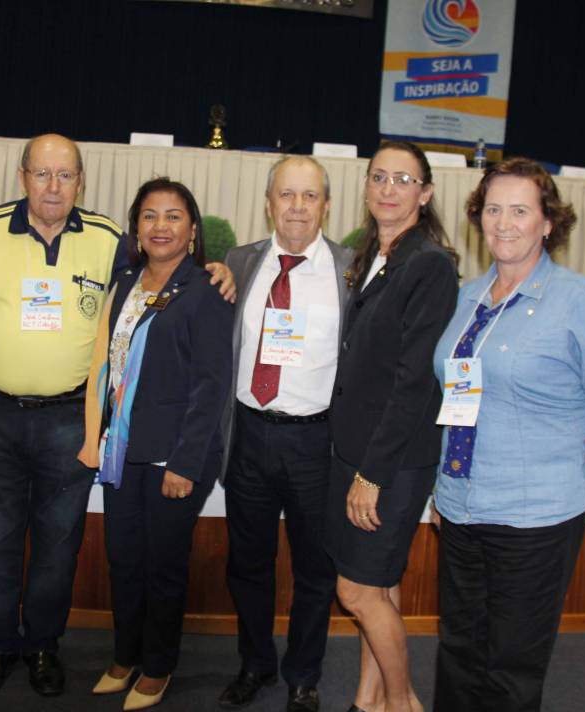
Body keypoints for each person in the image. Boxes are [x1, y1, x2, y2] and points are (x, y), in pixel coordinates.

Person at [0, 134, 236, 699]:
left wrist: (219, 268)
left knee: (65, 545)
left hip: (89, 427)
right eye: (42, 173)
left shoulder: (122, 248)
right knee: (6, 542)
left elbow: (206, 368)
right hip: (14, 419)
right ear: (22, 176)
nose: (53, 186)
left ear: (80, 183)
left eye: (65, 175)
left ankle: (58, 650)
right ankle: (4, 648)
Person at [430, 157, 585, 712]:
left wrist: (553, 431)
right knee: (458, 650)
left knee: (511, 667)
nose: (504, 223)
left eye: (520, 211)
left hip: (536, 516)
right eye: (493, 209)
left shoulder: (579, 300)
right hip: (460, 504)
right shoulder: (467, 298)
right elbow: (455, 395)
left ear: (548, 222)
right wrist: (444, 488)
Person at [77, 178, 233, 711]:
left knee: (163, 566)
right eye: (149, 215)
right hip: (122, 448)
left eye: (173, 216)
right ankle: (125, 655)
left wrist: (185, 463)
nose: (160, 226)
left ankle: (158, 665)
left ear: (192, 229)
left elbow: (211, 386)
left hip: (175, 456)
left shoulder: (206, 290)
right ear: (136, 228)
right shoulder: (125, 281)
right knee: (123, 559)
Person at [326, 140, 459, 712]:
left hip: (391, 462)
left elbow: (413, 381)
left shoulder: (428, 264)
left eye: (403, 180)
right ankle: (369, 699)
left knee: (355, 590)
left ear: (425, 194)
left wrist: (372, 475)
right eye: (379, 177)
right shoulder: (374, 254)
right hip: (356, 449)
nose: (388, 188)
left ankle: (403, 702)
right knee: (377, 584)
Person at [218, 156, 352, 712]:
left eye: (310, 196)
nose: (297, 206)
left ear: (326, 206)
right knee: (247, 564)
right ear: (269, 203)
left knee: (315, 569)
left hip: (316, 444)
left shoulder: (352, 271)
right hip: (249, 435)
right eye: (287, 195)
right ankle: (255, 663)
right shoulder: (239, 261)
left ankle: (303, 675)